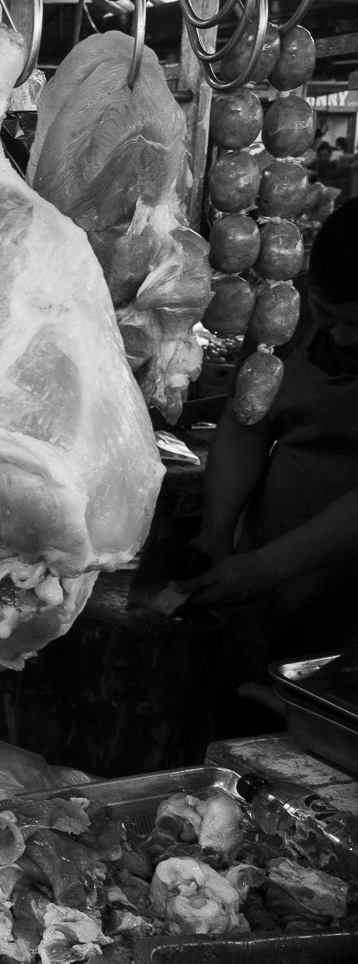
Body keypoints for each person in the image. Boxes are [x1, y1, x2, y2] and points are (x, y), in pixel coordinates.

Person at [183, 199, 358, 736]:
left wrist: (267, 566)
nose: (338, 338)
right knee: (245, 721)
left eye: (355, 325)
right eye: (325, 316)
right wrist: (217, 529)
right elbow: (249, 419)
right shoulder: (287, 306)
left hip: (346, 591)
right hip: (273, 564)